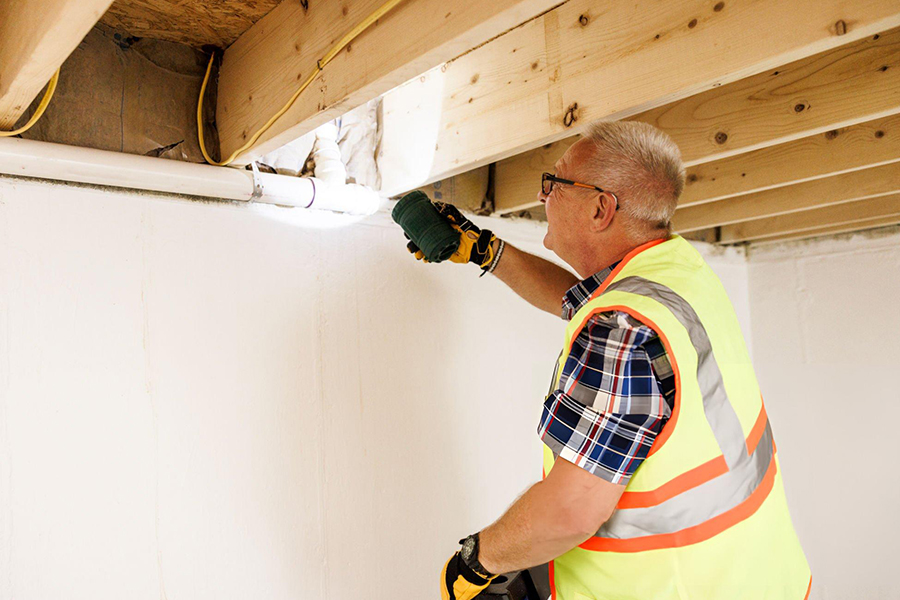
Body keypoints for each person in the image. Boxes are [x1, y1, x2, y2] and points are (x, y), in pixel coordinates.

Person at [406, 121, 811, 600]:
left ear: (600, 208)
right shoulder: (677, 272)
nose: (542, 197)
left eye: (554, 184)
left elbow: (571, 511)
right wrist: (486, 252)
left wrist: (475, 562)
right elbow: (586, 302)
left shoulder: (620, 328)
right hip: (759, 576)